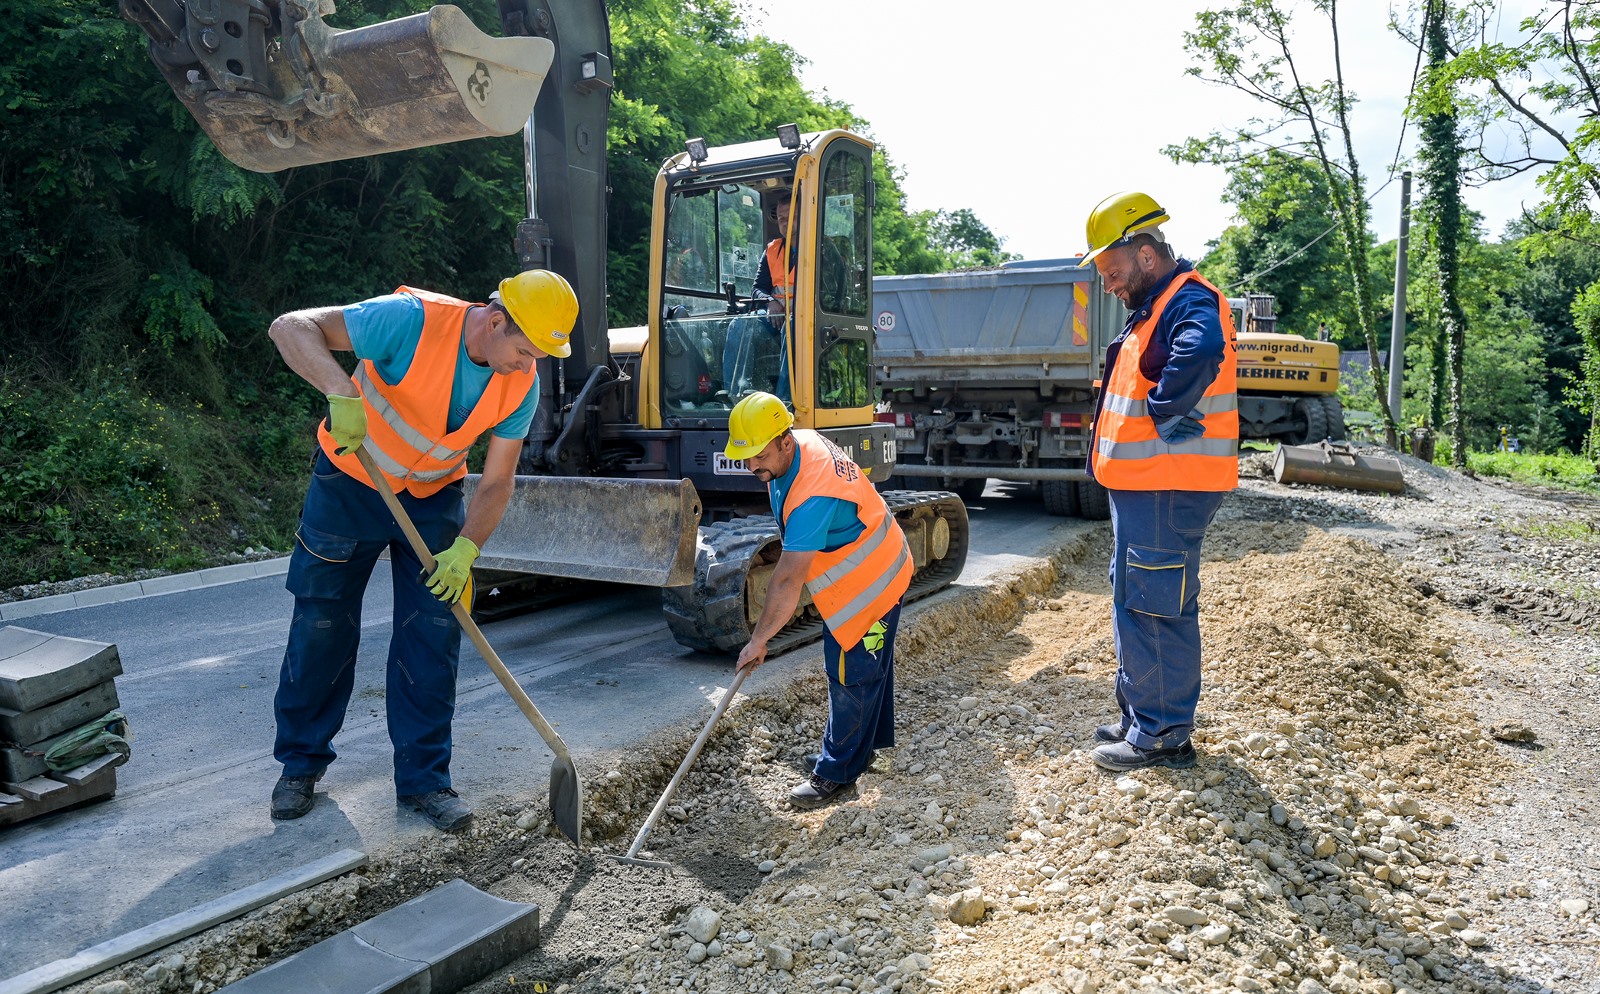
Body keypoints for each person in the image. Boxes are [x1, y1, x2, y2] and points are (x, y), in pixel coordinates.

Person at [266, 269, 579, 831]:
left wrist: (466, 550)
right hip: (349, 483)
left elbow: (498, 481)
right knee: (322, 624)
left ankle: (425, 781)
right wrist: (341, 391)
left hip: (433, 498)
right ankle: (299, 767)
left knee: (434, 632)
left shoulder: (521, 383)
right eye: (524, 349)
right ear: (496, 318)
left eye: (538, 355)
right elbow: (291, 328)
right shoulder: (411, 321)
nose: (526, 363)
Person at [1078, 191, 1239, 773]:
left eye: (1113, 271)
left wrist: (1168, 408)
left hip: (1169, 483)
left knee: (1155, 604)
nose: (1108, 285)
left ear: (1145, 255)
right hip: (1146, 484)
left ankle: (1163, 732)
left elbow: (1202, 350)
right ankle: (1140, 712)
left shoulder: (1188, 301)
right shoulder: (1158, 306)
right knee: (1134, 596)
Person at [726, 392, 912, 808]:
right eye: (744, 457)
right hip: (873, 569)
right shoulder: (801, 443)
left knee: (851, 672)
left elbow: (788, 579)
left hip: (872, 586)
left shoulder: (812, 494)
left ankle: (837, 772)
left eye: (757, 455)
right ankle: (858, 753)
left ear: (784, 442)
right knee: (870, 668)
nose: (751, 466)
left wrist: (758, 641)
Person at [724, 193, 795, 400]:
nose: (785, 222)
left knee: (792, 328)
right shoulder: (773, 250)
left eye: (791, 216)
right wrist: (770, 302)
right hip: (774, 314)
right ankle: (734, 393)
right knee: (739, 324)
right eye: (781, 218)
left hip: (804, 316)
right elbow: (757, 288)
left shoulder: (821, 249)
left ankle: (785, 399)